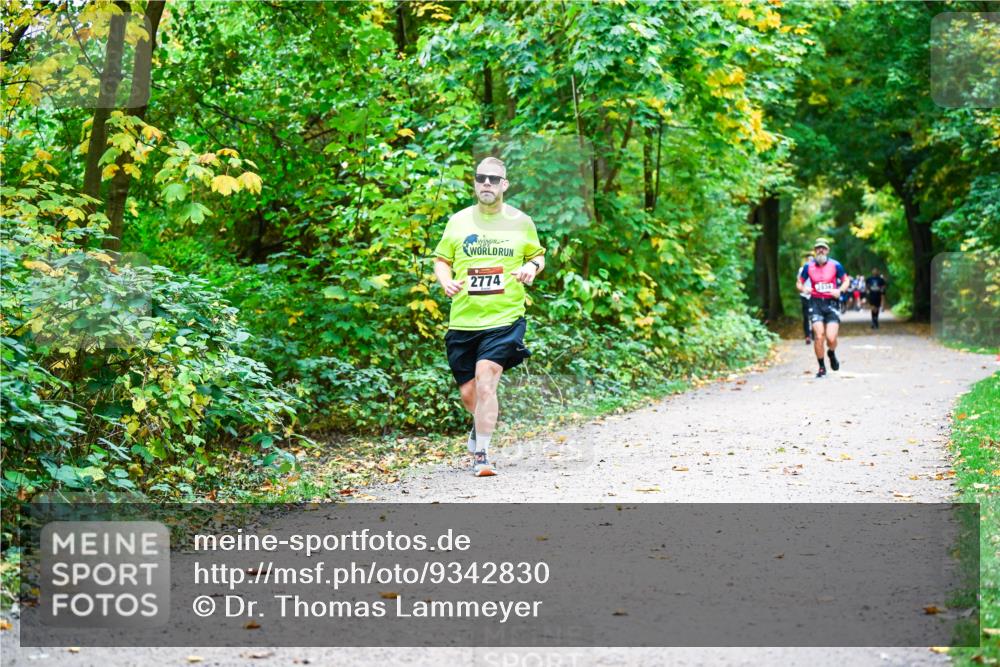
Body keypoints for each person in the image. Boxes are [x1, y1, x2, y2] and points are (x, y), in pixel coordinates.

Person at [433, 157, 546, 476]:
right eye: (481, 178)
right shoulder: (457, 221)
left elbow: (537, 257)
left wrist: (530, 267)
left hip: (505, 319)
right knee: (470, 394)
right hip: (464, 322)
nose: (487, 183)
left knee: (486, 382)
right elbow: (441, 260)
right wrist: (445, 279)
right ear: (474, 182)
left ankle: (481, 454)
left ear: (504, 185)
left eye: (494, 179)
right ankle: (478, 426)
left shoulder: (521, 222)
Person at [797, 238, 850, 378]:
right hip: (815, 304)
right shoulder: (808, 267)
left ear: (827, 250)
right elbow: (799, 283)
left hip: (831, 303)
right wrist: (804, 288)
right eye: (818, 248)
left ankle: (831, 353)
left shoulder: (836, 265)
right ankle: (821, 367)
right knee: (819, 336)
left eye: (823, 248)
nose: (821, 250)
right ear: (815, 251)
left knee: (831, 338)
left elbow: (846, 280)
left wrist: (840, 291)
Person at [797, 253, 813, 345]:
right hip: (804, 295)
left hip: (814, 295)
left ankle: (815, 334)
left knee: (815, 315)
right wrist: (803, 289)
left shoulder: (817, 269)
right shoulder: (802, 270)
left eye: (811, 259)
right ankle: (807, 336)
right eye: (808, 259)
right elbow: (799, 282)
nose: (810, 261)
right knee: (806, 316)